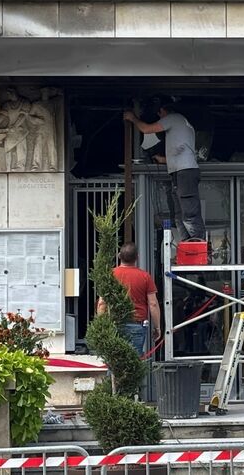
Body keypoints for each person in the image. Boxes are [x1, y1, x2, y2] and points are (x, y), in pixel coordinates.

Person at [123, 100, 206, 240]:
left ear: (163, 110)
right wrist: (161, 159)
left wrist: (133, 118)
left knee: (189, 214)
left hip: (185, 171)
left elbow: (146, 129)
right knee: (179, 215)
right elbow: (181, 152)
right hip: (182, 171)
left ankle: (199, 247)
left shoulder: (173, 118)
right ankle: (187, 246)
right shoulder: (183, 124)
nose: (159, 117)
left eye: (159, 113)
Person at [97, 243, 160, 356]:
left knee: (114, 359)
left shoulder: (110, 275)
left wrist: (102, 325)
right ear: (137, 257)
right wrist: (157, 327)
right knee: (133, 361)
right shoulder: (145, 276)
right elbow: (153, 303)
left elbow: (102, 303)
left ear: (119, 256)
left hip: (114, 323)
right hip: (137, 323)